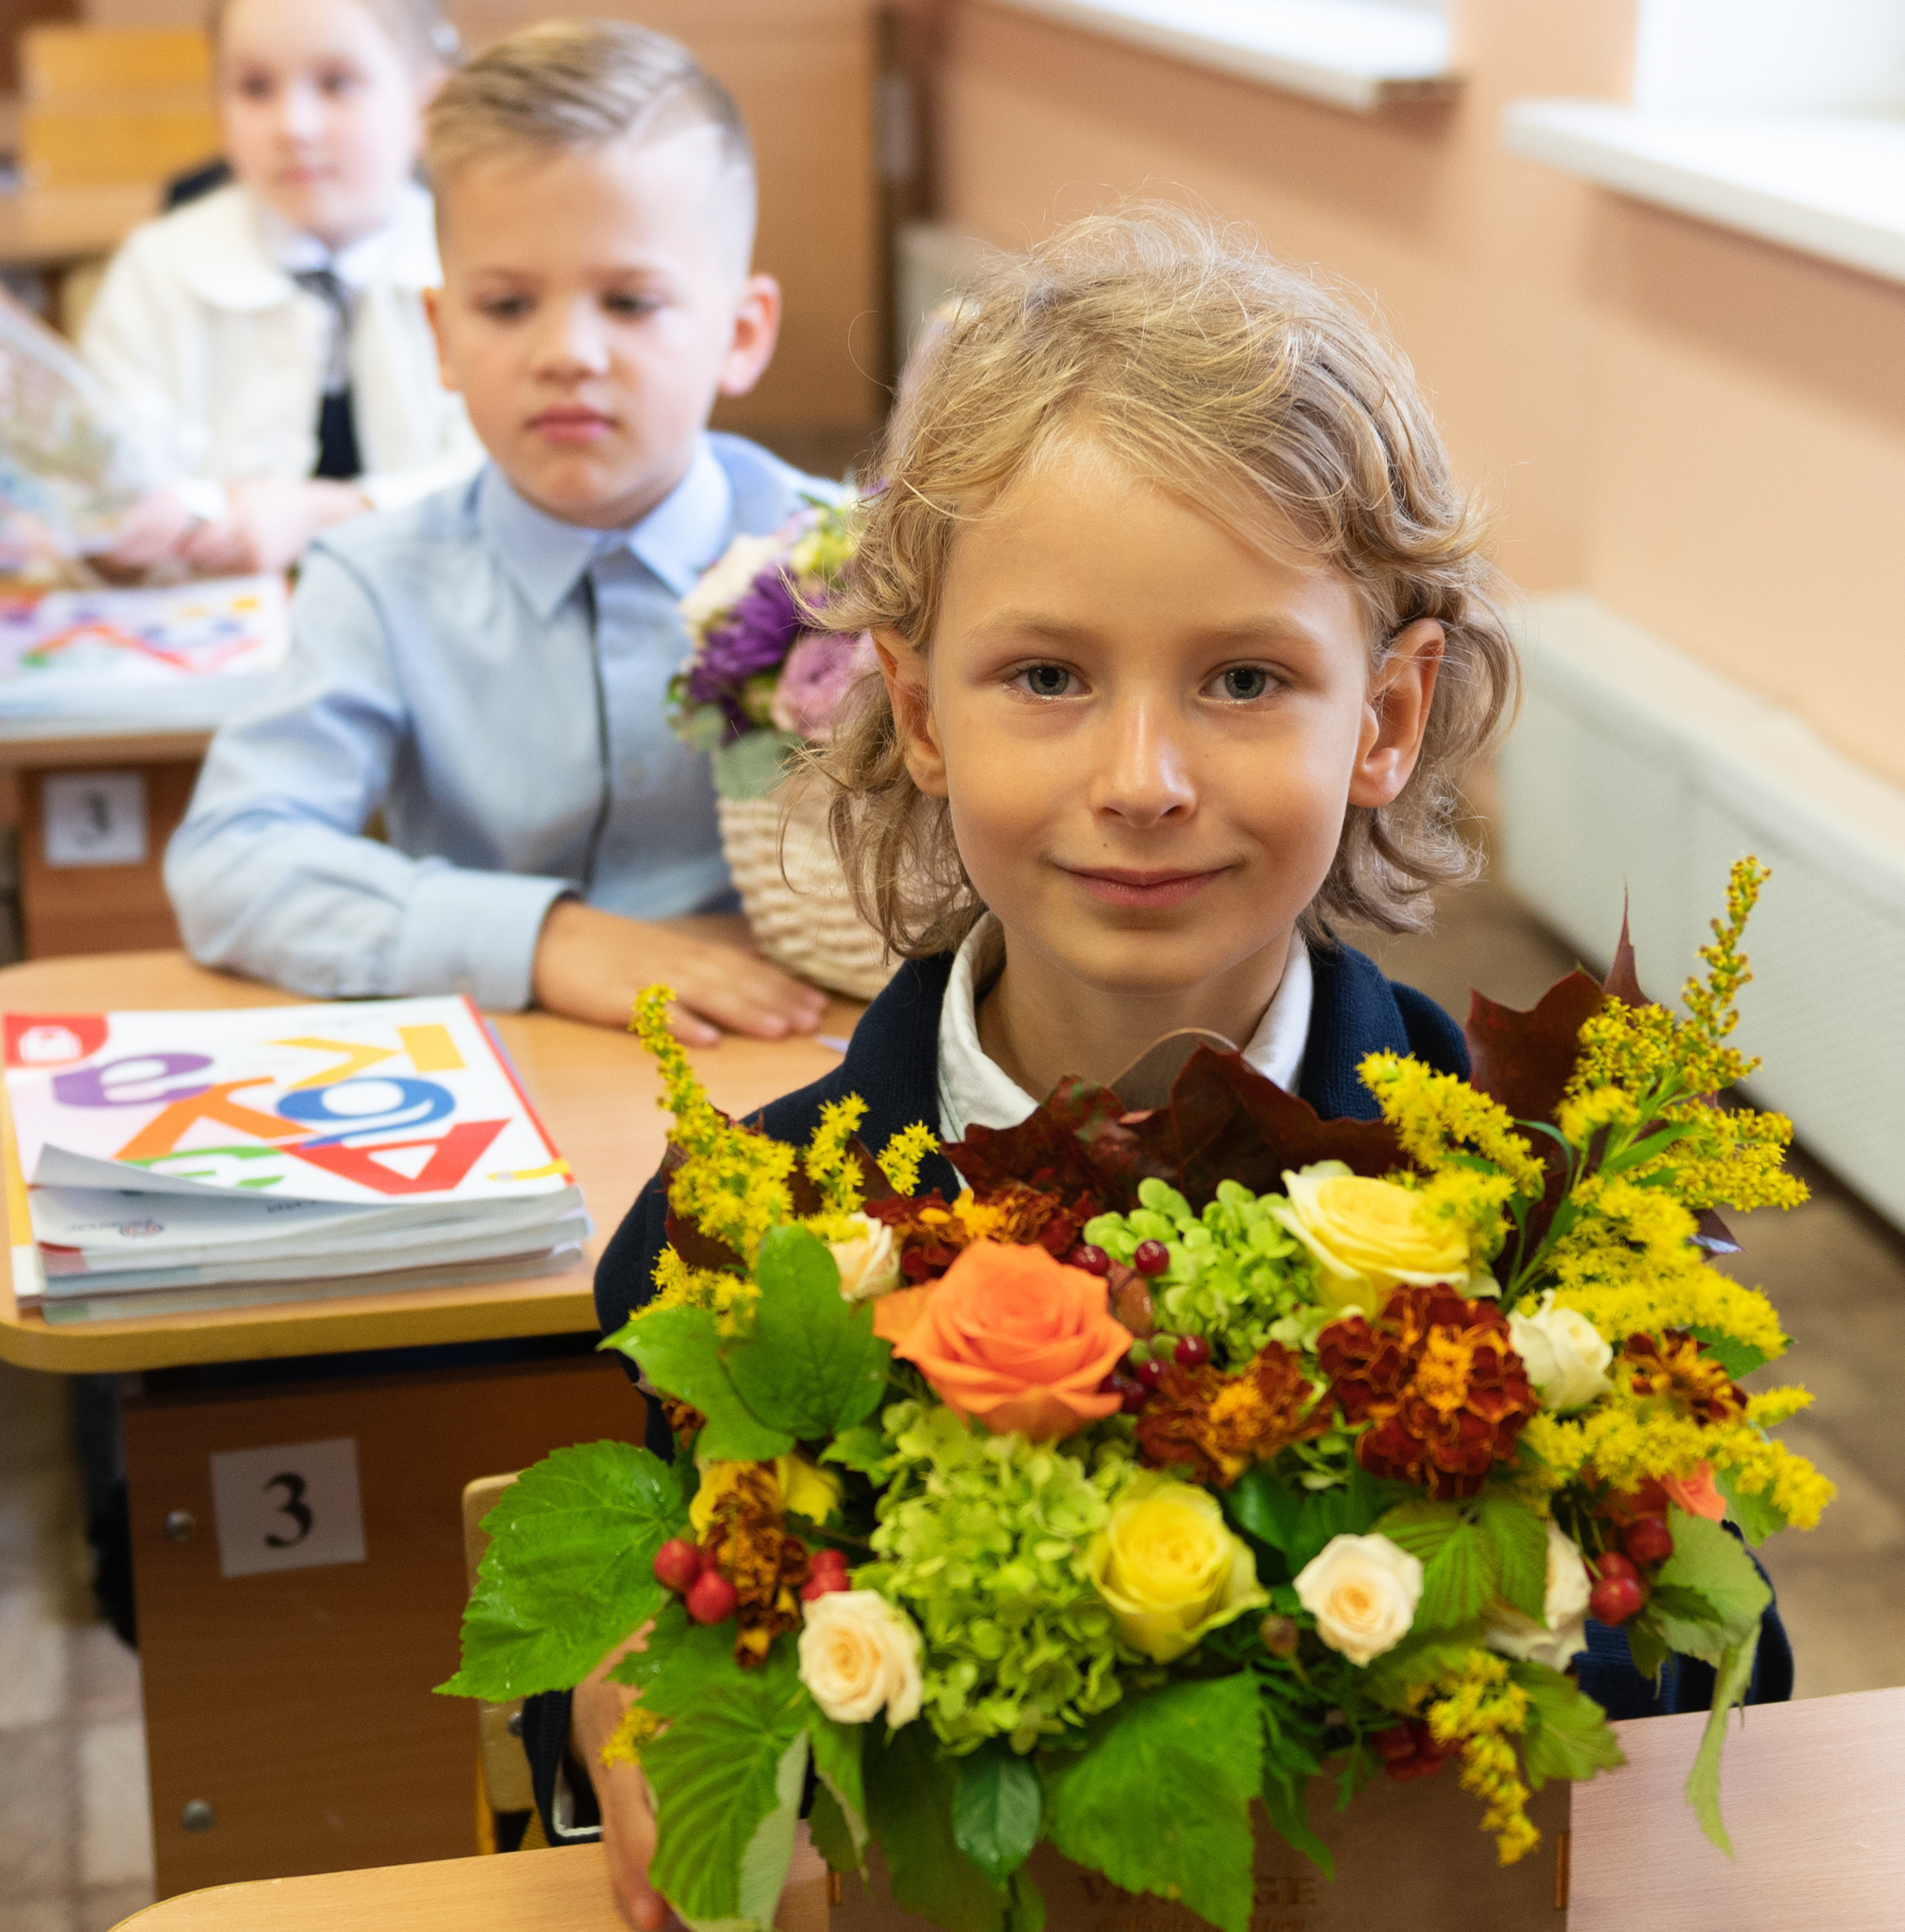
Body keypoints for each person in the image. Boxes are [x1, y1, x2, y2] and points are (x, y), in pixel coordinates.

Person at [516, 209, 1793, 1919]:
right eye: (1043, 673)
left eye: (1243, 678)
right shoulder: (741, 1234)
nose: (1140, 775)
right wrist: (612, 1688)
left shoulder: (1533, 1225)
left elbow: (1733, 1674)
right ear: (914, 710)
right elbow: (603, 1662)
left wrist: (1569, 1562)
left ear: (1386, 720)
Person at [164, 20, 830, 1042]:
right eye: (509, 304)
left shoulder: (849, 562)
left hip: (797, 1054)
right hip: (511, 1067)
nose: (567, 352)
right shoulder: (376, 581)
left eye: (630, 300)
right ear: (442, 336)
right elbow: (233, 860)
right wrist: (543, 940)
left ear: (739, 335)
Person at [82, 0, 482, 577]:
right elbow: (107, 473)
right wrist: (116, 528)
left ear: (428, 105)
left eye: (338, 84)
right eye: (255, 88)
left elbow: (503, 477)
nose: (294, 126)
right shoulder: (157, 266)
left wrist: (333, 513)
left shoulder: (477, 262)